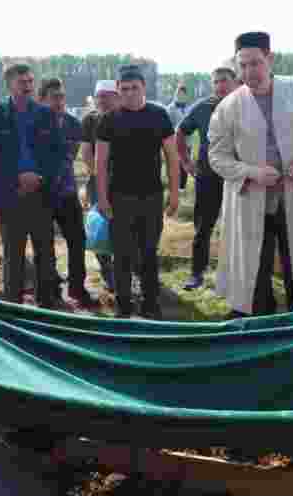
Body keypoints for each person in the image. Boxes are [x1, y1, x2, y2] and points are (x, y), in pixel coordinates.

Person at [207, 31, 293, 318]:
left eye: (255, 63)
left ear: (270, 58)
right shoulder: (229, 106)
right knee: (255, 264)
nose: (248, 72)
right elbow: (216, 155)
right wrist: (251, 172)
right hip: (252, 198)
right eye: (242, 65)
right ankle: (258, 320)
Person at [95, 64, 179, 319]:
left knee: (149, 252)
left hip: (151, 197)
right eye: (125, 88)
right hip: (119, 198)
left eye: (135, 88)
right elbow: (100, 163)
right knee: (121, 254)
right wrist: (102, 197)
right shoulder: (108, 120)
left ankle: (150, 302)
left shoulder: (159, 115)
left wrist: (174, 193)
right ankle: (123, 304)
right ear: (118, 91)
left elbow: (172, 157)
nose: (130, 93)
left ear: (144, 88)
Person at [0, 63, 65, 308]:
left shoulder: (46, 115)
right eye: (22, 82)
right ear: (9, 85)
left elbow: (57, 154)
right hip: (10, 195)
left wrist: (40, 179)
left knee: (45, 254)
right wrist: (18, 178)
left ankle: (46, 305)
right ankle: (13, 308)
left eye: (30, 81)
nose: (28, 86)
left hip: (41, 194)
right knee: (13, 255)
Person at [39, 77, 97, 307]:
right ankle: (50, 288)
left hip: (66, 192)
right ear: (41, 99)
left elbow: (70, 155)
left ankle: (77, 287)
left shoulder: (73, 124)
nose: (59, 101)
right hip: (41, 194)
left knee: (77, 240)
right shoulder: (35, 123)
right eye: (54, 97)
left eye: (62, 97)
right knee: (45, 244)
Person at [179, 67, 239, 290]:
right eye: (215, 82)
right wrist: (186, 161)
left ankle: (236, 276)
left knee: (239, 227)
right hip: (208, 175)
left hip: (239, 176)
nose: (220, 85)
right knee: (203, 227)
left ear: (235, 82)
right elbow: (181, 131)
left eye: (224, 80)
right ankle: (196, 274)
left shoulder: (246, 104)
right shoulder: (203, 107)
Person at [81, 80, 120, 291]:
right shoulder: (90, 120)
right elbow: (86, 151)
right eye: (99, 96)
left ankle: (127, 268)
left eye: (107, 95)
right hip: (99, 182)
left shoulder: (125, 116)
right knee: (99, 226)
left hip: (125, 182)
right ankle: (107, 270)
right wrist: (98, 175)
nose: (103, 100)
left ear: (117, 96)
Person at [167, 83, 190, 193]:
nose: (181, 95)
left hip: (187, 142)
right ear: (176, 94)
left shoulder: (188, 108)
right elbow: (168, 125)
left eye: (183, 94)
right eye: (179, 93)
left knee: (184, 163)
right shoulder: (170, 108)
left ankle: (182, 187)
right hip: (173, 141)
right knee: (174, 164)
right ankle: (174, 185)